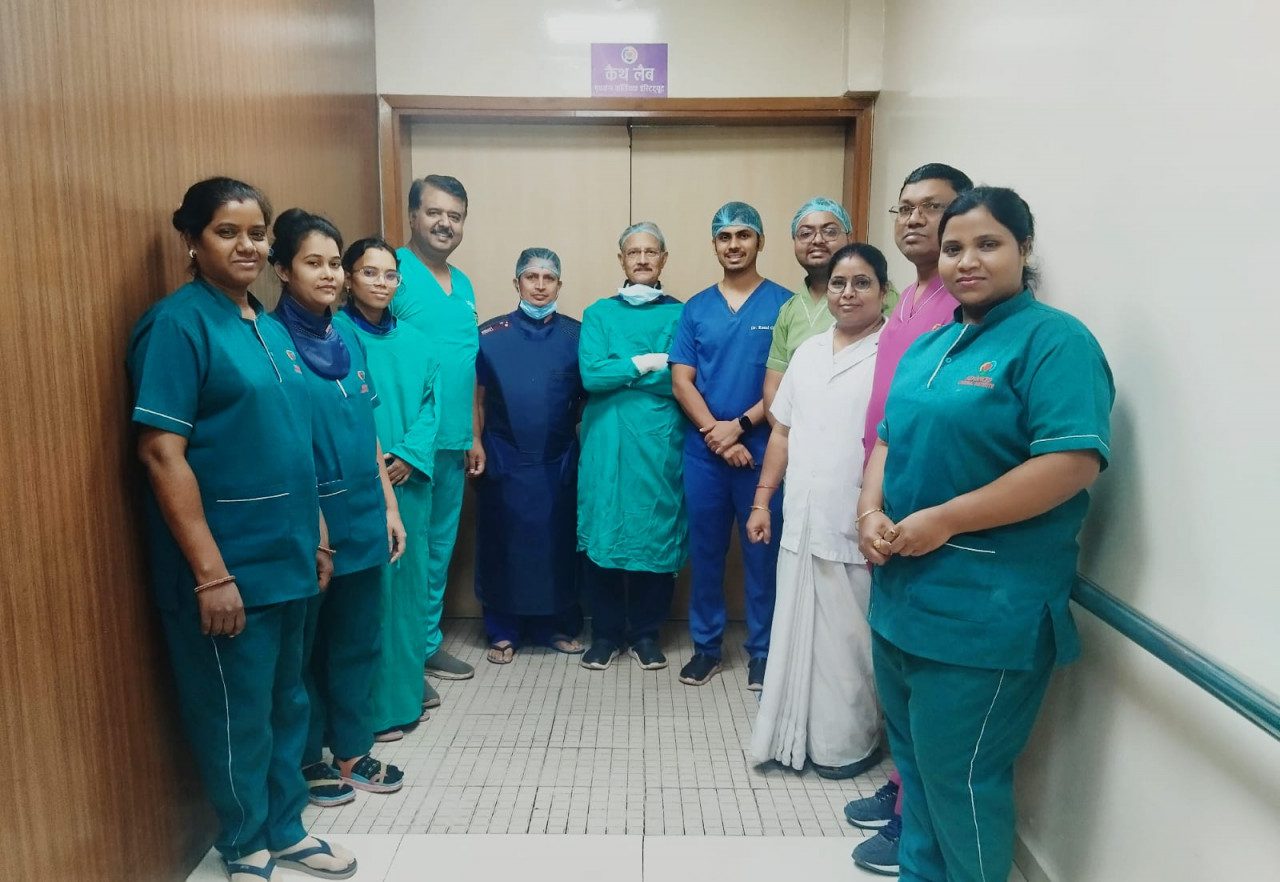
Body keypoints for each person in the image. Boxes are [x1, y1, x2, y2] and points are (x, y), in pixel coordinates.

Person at [859, 187, 1114, 882]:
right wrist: (868, 511)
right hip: (903, 600)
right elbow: (889, 438)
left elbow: (1070, 463)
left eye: (987, 244)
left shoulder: (1054, 342)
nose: (966, 261)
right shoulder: (931, 346)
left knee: (962, 781)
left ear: (1024, 249)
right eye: (953, 248)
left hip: (984, 612)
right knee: (916, 773)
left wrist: (946, 519)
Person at [127, 178, 356, 881]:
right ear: (192, 239)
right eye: (228, 232)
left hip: (291, 556)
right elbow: (161, 453)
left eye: (257, 232)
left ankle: (286, 828)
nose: (248, 245)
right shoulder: (178, 325)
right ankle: (244, 841)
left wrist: (318, 530)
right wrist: (210, 574)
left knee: (290, 701)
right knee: (237, 713)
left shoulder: (268, 327)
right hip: (230, 566)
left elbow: (293, 441)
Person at [845, 162, 973, 876]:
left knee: (919, 669)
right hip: (882, 490)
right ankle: (900, 786)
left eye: (933, 207)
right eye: (905, 208)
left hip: (924, 503)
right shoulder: (909, 298)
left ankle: (910, 819)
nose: (915, 220)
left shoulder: (959, 302)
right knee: (893, 657)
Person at [266, 210, 407, 805]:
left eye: (332, 264)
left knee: (357, 639)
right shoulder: (270, 341)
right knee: (302, 650)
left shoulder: (347, 336)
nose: (328, 275)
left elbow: (367, 431)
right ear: (282, 269)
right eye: (312, 263)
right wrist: (317, 524)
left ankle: (351, 748)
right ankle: (306, 758)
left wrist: (390, 508)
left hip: (364, 513)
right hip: (310, 522)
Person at [747, 243, 887, 779]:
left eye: (861, 283)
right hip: (801, 519)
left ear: (883, 291)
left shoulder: (893, 355)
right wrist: (762, 500)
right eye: (838, 283)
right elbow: (782, 433)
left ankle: (846, 746)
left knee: (848, 643)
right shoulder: (806, 352)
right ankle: (790, 736)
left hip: (855, 523)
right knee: (793, 632)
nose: (848, 293)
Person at [669, 201, 791, 688]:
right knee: (706, 552)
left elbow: (789, 381)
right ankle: (706, 647)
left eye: (744, 235)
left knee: (763, 553)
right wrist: (718, 437)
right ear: (714, 245)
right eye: (725, 237)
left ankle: (763, 651)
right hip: (705, 454)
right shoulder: (696, 308)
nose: (734, 244)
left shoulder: (784, 305)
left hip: (764, 450)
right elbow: (682, 381)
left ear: (761, 241)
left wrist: (738, 426)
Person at [335, 236, 443, 743]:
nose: (381, 283)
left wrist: (409, 456)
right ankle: (371, 712)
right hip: (361, 482)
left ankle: (404, 696)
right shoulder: (334, 335)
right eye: (369, 272)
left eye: (389, 274)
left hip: (410, 483)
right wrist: (378, 463)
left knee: (408, 591)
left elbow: (432, 405)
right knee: (370, 596)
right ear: (348, 278)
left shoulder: (418, 341)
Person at [577, 222, 687, 671]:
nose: (642, 259)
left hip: (659, 444)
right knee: (604, 532)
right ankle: (604, 635)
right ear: (621, 259)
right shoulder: (598, 314)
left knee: (653, 533)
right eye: (633, 252)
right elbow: (591, 375)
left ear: (664, 259)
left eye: (651, 252)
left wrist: (621, 370)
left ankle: (645, 633)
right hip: (605, 444)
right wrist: (645, 362)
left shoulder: (682, 314)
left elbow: (678, 381)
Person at [471, 248, 586, 663]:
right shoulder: (489, 336)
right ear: (516, 282)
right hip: (504, 458)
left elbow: (588, 398)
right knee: (504, 543)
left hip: (556, 461)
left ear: (559, 284)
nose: (540, 286)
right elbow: (476, 398)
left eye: (548, 278)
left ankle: (554, 626)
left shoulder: (577, 335)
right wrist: (475, 441)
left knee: (556, 543)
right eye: (531, 277)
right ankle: (502, 631)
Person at [390, 174, 478, 702]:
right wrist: (400, 445)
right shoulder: (392, 271)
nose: (445, 223)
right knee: (407, 551)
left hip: (454, 442)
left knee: (440, 548)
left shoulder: (462, 284)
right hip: (410, 446)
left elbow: (466, 365)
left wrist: (473, 436)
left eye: (455, 215)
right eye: (435, 212)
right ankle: (402, 662)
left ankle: (426, 643)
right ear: (413, 216)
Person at [761, 196, 853, 414]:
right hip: (797, 430)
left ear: (849, 237)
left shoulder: (874, 296)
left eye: (829, 231)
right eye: (805, 233)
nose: (817, 240)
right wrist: (786, 430)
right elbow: (773, 388)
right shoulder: (789, 310)